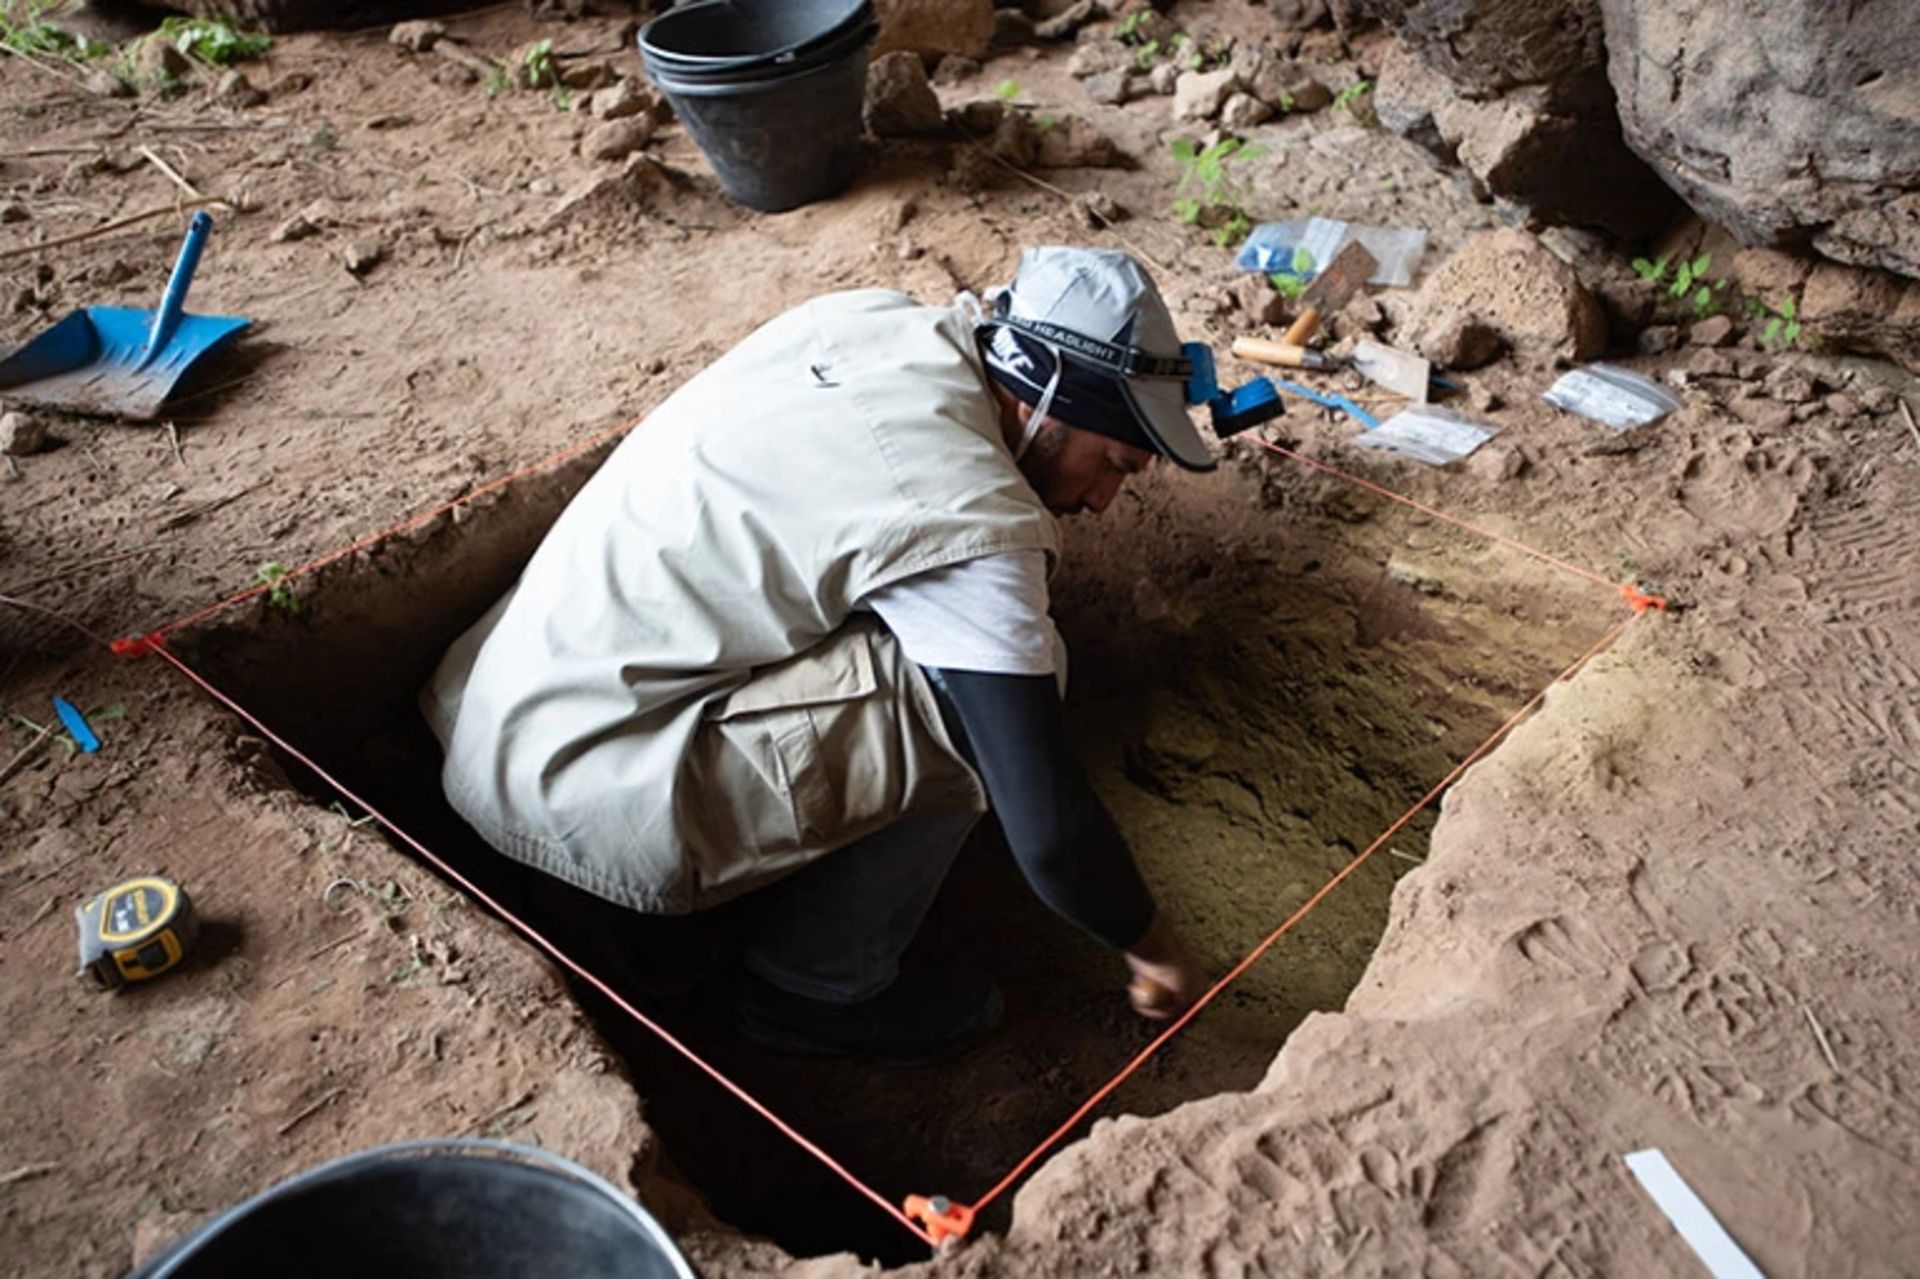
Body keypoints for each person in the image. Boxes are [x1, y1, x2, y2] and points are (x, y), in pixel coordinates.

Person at [423, 246, 1213, 1063]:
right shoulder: (969, 517)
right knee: (1005, 678)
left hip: (498, 707)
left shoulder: (874, 321)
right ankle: (815, 991)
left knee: (918, 629)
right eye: (1113, 462)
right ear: (1046, 398)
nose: (1102, 500)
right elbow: (1051, 831)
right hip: (577, 797)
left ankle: (705, 899)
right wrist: (1153, 946)